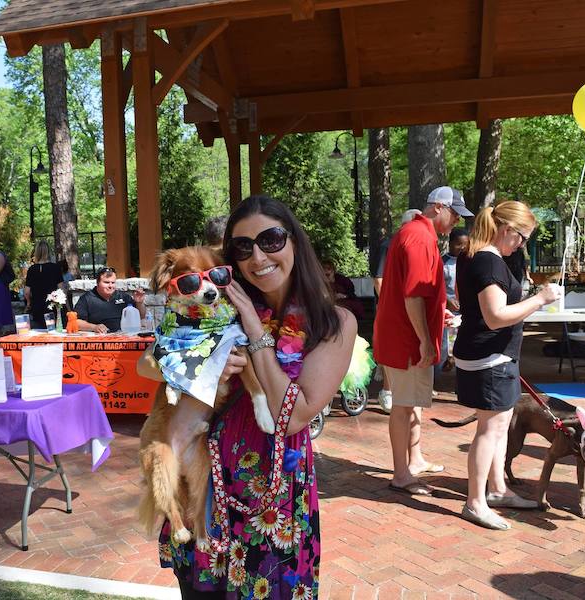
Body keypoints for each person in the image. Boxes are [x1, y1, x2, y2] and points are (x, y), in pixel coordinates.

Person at [147, 195, 356, 598]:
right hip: (207, 482)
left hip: (274, 494)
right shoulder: (215, 301)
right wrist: (196, 369)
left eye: (271, 240)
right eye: (243, 247)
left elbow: (291, 416)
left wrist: (256, 334)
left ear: (294, 241)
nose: (258, 257)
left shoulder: (333, 323)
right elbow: (148, 362)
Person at [453, 201, 561, 530]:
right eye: (522, 237)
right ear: (506, 230)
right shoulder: (488, 261)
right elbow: (495, 316)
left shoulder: (479, 255)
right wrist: (539, 299)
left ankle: (497, 489)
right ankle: (475, 502)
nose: (522, 245)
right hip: (489, 358)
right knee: (490, 429)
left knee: (499, 428)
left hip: (490, 355)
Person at [373, 186, 473, 496]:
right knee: (403, 407)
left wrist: (435, 316)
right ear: (438, 207)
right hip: (407, 341)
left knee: (412, 403)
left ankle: (414, 460)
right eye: (454, 213)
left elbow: (421, 294)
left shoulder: (418, 233)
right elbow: (413, 294)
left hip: (407, 336)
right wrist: (426, 341)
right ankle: (401, 474)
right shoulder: (418, 236)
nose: (457, 220)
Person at [372, 209, 422, 411]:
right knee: (391, 349)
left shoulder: (413, 244)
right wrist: (390, 305)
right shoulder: (389, 244)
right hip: (391, 309)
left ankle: (408, 389)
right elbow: (378, 279)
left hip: (408, 306)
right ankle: (387, 392)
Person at [73, 267, 145, 333]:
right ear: (97, 283)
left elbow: (141, 316)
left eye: (113, 283)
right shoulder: (87, 298)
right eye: (106, 282)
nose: (110, 286)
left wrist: (139, 303)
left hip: (124, 337)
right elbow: (75, 322)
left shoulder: (124, 297)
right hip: (99, 339)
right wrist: (94, 327)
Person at [440, 228, 469, 370]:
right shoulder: (443, 262)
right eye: (459, 244)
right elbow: (435, 286)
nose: (462, 247)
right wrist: (446, 299)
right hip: (448, 311)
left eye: (465, 244)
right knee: (445, 344)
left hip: (465, 310)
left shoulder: (471, 261)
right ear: (450, 244)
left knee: (463, 344)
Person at [24, 241, 64, 329]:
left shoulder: (32, 269)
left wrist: (28, 302)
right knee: (53, 331)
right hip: (52, 304)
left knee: (39, 331)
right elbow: (61, 289)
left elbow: (26, 292)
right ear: (48, 252)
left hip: (37, 305)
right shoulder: (55, 268)